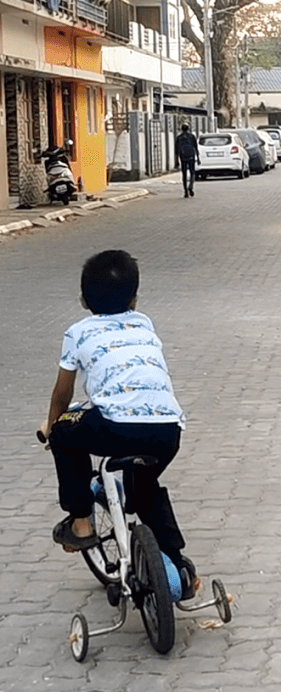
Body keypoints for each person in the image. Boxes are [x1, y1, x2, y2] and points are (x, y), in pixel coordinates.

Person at [40, 250, 197, 594]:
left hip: (115, 426)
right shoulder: (144, 323)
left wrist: (51, 425)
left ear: (83, 299)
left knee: (66, 433)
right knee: (144, 488)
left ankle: (81, 522)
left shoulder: (77, 332)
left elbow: (62, 395)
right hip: (168, 430)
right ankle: (180, 567)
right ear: (136, 299)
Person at [175, 123, 199, 198]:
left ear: (181, 129)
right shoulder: (192, 137)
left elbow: (176, 151)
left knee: (184, 174)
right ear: (188, 128)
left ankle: (185, 191)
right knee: (192, 173)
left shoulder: (179, 138)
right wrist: (198, 158)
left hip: (183, 157)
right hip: (191, 156)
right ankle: (190, 186)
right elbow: (195, 148)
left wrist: (177, 161)